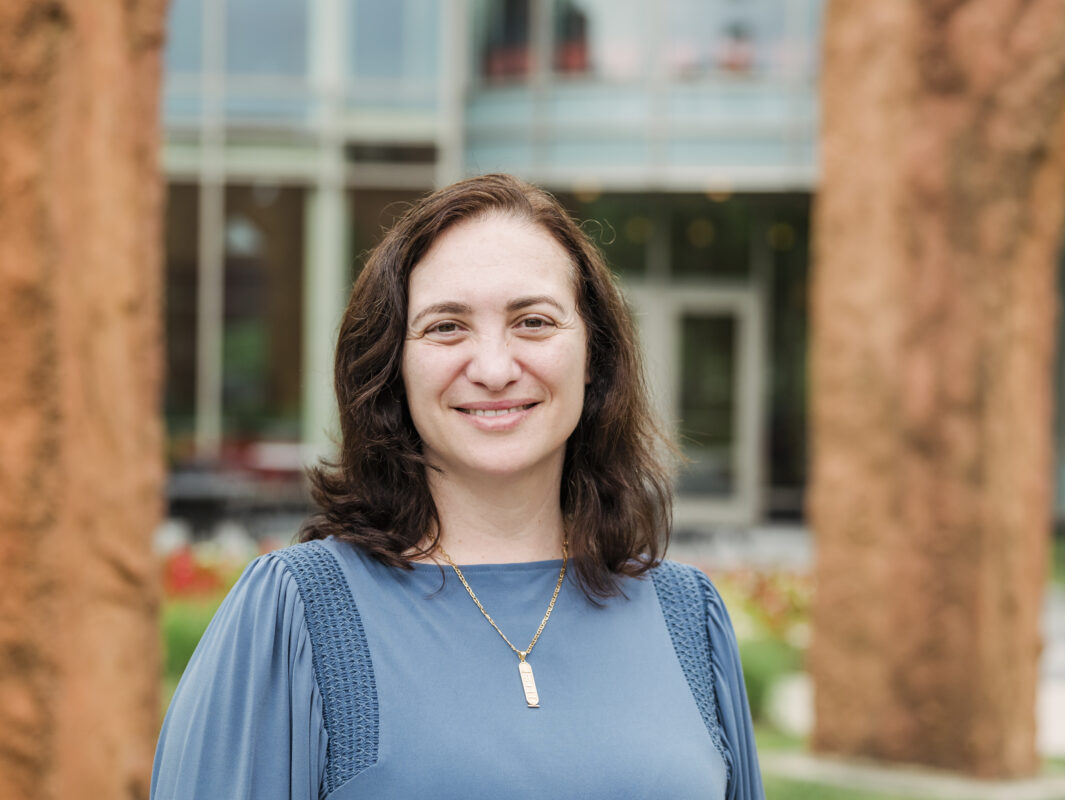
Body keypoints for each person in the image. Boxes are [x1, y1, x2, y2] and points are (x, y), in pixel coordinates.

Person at [151, 174, 764, 799]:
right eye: (447, 327)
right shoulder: (298, 614)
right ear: (393, 365)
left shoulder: (688, 617)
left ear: (595, 358)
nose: (495, 369)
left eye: (533, 321)